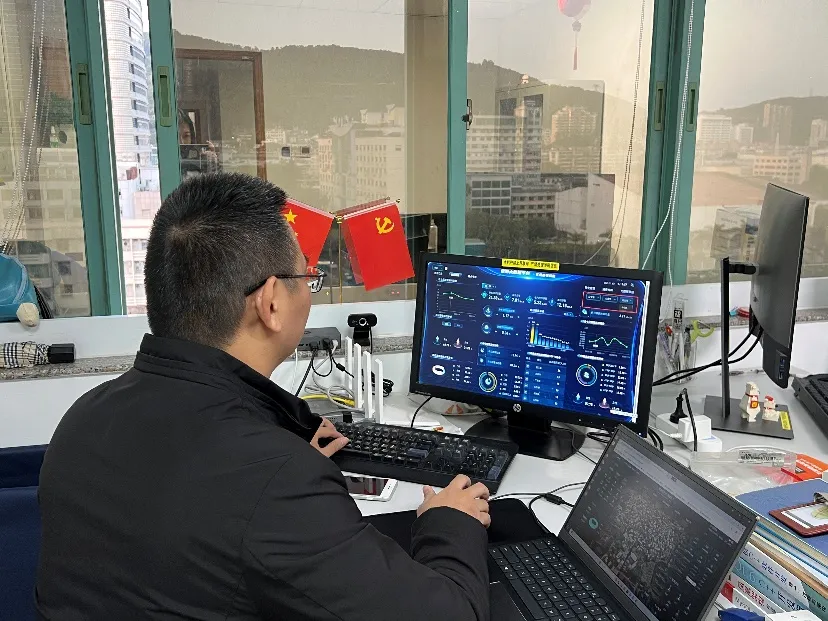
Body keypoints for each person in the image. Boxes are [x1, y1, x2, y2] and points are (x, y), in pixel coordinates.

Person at [35, 173, 492, 620]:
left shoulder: (86, 416)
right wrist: (448, 523)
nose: (309, 291)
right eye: (307, 277)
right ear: (271, 302)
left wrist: (281, 442)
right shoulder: (274, 480)